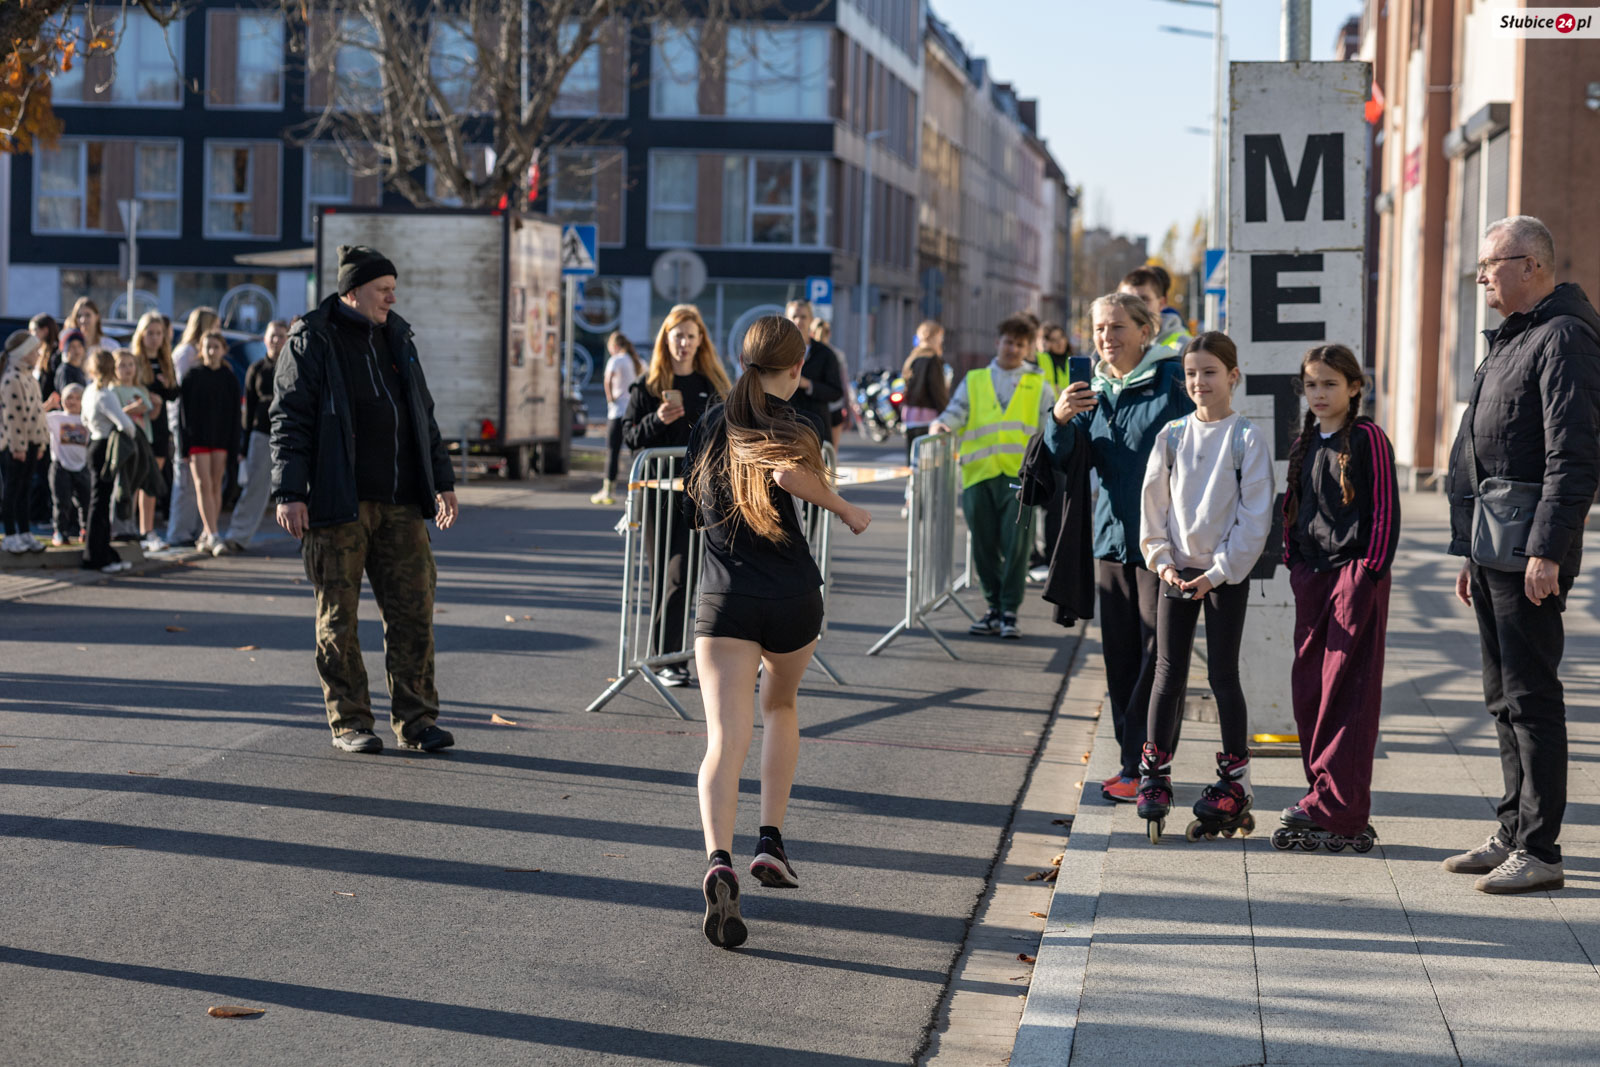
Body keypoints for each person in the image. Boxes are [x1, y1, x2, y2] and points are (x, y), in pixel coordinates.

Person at [683, 315, 872, 949]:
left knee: (724, 739)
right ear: (796, 368)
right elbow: (790, 477)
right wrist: (845, 508)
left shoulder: (711, 423)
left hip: (725, 600)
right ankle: (770, 842)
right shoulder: (797, 423)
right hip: (792, 598)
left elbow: (690, 507)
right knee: (781, 706)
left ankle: (718, 860)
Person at [1442, 216, 1600, 893]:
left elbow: (1574, 454)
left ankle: (1541, 849)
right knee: (1502, 697)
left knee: (1532, 697)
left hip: (1527, 549)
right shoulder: (1516, 335)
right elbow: (1493, 449)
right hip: (1493, 545)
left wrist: (1547, 550)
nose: (1481, 275)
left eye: (1491, 263)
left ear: (1531, 265)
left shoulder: (1563, 336)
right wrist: (1469, 551)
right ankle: (1512, 830)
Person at [271, 245, 460, 755]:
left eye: (393, 289)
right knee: (338, 619)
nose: (392, 298)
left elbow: (423, 415)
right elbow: (289, 421)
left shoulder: (398, 337)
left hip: (401, 502)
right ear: (352, 292)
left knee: (414, 612)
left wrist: (442, 481)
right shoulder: (311, 340)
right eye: (383, 289)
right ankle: (350, 722)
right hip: (338, 504)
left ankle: (417, 720)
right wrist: (289, 492)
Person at [1047, 292, 1194, 802]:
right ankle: (1132, 764)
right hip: (1111, 542)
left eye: (1117, 326)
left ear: (1144, 331)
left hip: (1165, 546)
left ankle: (1149, 763)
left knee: (1159, 658)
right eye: (1099, 329)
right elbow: (1066, 461)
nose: (1106, 337)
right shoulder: (1094, 390)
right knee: (1121, 659)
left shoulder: (1172, 381)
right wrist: (1058, 419)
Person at [1134, 332, 1274, 843]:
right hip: (1175, 570)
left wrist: (1216, 573)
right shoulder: (1172, 435)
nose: (1199, 382)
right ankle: (1154, 774)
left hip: (1223, 576)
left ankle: (1235, 779)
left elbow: (1254, 518)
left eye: (1210, 372)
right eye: (1191, 373)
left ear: (1233, 376)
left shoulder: (1246, 438)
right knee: (1167, 672)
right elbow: (1153, 505)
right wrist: (1162, 561)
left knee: (1222, 675)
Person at [1274, 343, 1399, 853]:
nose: (1319, 393)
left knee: (1349, 694)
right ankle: (1321, 792)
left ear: (1354, 387)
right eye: (1311, 384)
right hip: (1312, 578)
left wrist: (1367, 573)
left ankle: (1342, 806)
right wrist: (1295, 565)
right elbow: (1292, 506)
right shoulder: (1305, 441)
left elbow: (1385, 511)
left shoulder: (1368, 438)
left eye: (1330, 383)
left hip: (1354, 578)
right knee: (1311, 691)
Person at [622, 303, 732, 687]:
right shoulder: (649, 385)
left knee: (688, 574)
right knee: (666, 573)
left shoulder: (712, 384)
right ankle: (664, 658)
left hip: (700, 493)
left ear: (701, 341)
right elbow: (629, 436)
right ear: (665, 340)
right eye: (677, 336)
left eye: (690, 336)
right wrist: (657, 420)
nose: (683, 343)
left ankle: (676, 657)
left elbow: (728, 432)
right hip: (658, 493)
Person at [930, 314, 1056, 640]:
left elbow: (1051, 427)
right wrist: (941, 425)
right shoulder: (975, 380)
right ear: (997, 342)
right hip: (978, 475)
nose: (1013, 348)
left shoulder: (1039, 385)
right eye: (1008, 342)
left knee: (1017, 546)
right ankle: (993, 608)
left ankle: (1009, 610)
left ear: (1028, 349)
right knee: (983, 545)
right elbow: (955, 412)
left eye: (1020, 344)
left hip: (1020, 478)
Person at [216, 320, 287, 554]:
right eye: (272, 336)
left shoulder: (294, 367)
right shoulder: (256, 369)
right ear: (265, 339)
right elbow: (248, 407)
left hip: (290, 434)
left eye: (281, 336)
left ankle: (310, 537)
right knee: (255, 487)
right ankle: (237, 535)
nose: (276, 340)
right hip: (261, 432)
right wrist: (244, 445)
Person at [179, 331, 241, 554]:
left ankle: (208, 532)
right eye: (208, 347)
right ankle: (214, 534)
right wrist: (184, 445)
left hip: (221, 438)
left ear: (224, 349)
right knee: (202, 484)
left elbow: (235, 415)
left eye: (216, 346)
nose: (212, 351)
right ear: (201, 350)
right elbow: (183, 413)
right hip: (197, 438)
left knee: (215, 485)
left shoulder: (229, 377)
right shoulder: (192, 375)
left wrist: (235, 445)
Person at [165, 306, 218, 547]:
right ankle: (178, 532)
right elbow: (180, 391)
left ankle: (195, 529)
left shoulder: (198, 352)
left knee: (199, 482)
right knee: (185, 479)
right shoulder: (186, 353)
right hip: (183, 422)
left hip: (201, 423)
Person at [80, 348, 136, 573]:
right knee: (100, 503)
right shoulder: (105, 394)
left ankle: (102, 552)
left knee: (99, 502)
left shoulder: (89, 391)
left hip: (93, 443)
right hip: (104, 446)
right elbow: (126, 425)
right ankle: (96, 556)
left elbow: (84, 419)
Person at [2, 330, 50, 554]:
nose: (38, 355)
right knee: (12, 490)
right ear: (23, 353)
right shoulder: (12, 379)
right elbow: (13, 418)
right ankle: (10, 534)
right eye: (34, 351)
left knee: (24, 490)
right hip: (15, 446)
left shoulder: (30, 377)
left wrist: (41, 442)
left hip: (31, 442)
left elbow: (38, 413)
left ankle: (24, 531)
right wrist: (18, 447)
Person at [133, 310, 177, 550]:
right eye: (150, 333)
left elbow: (173, 393)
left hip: (160, 427)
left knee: (151, 481)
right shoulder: (135, 361)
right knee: (136, 479)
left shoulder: (165, 361)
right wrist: (149, 397)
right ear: (141, 334)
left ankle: (147, 531)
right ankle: (131, 530)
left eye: (159, 333)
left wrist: (166, 388)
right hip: (140, 425)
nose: (155, 338)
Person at [109, 348, 156, 543]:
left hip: (142, 442)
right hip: (125, 444)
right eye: (122, 365)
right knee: (123, 486)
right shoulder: (114, 391)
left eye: (130, 365)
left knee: (136, 485)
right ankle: (119, 525)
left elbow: (150, 411)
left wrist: (153, 404)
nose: (127, 369)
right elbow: (116, 413)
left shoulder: (141, 390)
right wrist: (132, 409)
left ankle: (130, 525)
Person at [591, 330, 643, 506]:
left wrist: (610, 399)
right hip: (634, 412)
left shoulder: (616, 360)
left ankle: (608, 490)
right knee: (635, 451)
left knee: (613, 451)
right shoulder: (637, 361)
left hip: (618, 411)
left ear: (613, 346)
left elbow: (607, 380)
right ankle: (637, 489)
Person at [782, 300, 845, 439]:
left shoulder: (825, 353)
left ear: (811, 319)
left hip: (816, 428)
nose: (799, 321)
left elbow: (836, 392)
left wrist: (809, 385)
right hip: (785, 427)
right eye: (794, 316)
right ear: (787, 319)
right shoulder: (779, 350)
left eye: (803, 317)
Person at [45, 384, 91, 546]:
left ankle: (86, 530)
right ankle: (60, 532)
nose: (73, 401)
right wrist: (49, 404)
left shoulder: (87, 419)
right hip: (60, 466)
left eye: (78, 398)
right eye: (69, 398)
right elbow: (35, 417)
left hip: (82, 466)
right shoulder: (56, 417)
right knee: (61, 502)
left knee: (86, 501)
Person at [901, 321, 949, 464]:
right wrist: (946, 414)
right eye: (940, 337)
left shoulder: (912, 357)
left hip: (911, 414)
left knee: (913, 461)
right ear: (934, 337)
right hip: (928, 416)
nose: (941, 341)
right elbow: (937, 390)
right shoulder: (933, 359)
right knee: (928, 463)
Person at [1120, 267, 1191, 354]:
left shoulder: (1185, 347)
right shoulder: (1112, 344)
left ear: (1162, 303)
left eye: (1144, 299)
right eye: (1128, 300)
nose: (1136, 307)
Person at [810, 318, 850, 450]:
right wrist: (848, 410)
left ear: (811, 333)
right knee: (832, 451)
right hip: (834, 406)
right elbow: (844, 384)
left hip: (813, 407)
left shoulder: (808, 352)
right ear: (829, 333)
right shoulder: (836, 354)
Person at [54, 330, 89, 397]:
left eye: (79, 346)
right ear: (66, 350)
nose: (77, 350)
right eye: (72, 347)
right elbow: (68, 398)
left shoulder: (78, 368)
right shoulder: (65, 371)